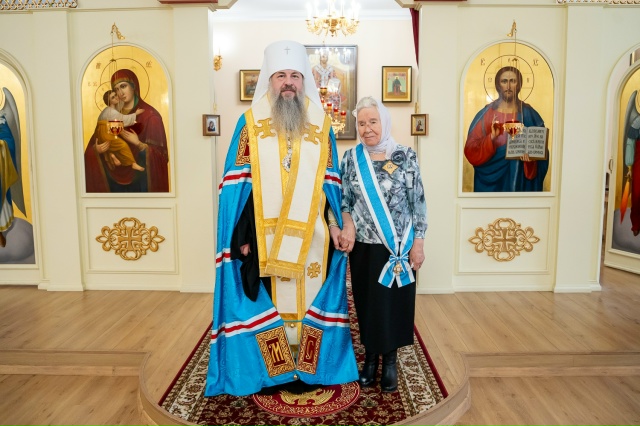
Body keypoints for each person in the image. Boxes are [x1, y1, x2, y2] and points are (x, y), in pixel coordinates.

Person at [205, 40, 358, 397]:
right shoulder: (250, 125)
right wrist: (242, 235)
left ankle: (309, 368)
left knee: (310, 300)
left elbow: (330, 186)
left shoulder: (321, 125)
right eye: (280, 76)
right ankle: (273, 370)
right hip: (265, 238)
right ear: (269, 81)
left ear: (304, 81)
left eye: (295, 75)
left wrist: (335, 225)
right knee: (269, 300)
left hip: (314, 238)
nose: (288, 82)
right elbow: (237, 189)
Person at [339, 96, 427, 393]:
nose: (367, 129)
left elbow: (418, 202)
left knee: (394, 304)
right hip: (364, 247)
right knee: (367, 304)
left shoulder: (405, 155)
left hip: (398, 247)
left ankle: (390, 361)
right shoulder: (351, 158)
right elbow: (345, 201)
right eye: (362, 123)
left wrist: (418, 243)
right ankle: (370, 359)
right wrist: (348, 224)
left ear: (384, 122)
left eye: (373, 122)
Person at [464, 66, 548, 192]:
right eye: (504, 81)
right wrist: (491, 138)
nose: (508, 86)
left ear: (519, 85)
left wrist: (531, 161)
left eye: (513, 81)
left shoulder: (530, 115)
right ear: (498, 85)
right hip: (489, 184)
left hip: (520, 183)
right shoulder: (486, 114)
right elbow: (471, 149)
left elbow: (542, 151)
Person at [84, 69, 169, 192]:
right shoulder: (110, 114)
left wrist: (139, 144)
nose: (120, 93)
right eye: (116, 89)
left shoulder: (150, 116)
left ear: (133, 86)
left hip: (140, 183)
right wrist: (96, 150)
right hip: (112, 182)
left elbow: (161, 156)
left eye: (123, 86)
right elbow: (95, 142)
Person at [97, 90, 145, 172]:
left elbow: (119, 107)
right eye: (113, 97)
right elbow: (123, 119)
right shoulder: (112, 112)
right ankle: (133, 164)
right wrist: (135, 114)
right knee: (123, 145)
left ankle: (113, 156)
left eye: (115, 95)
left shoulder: (108, 110)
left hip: (103, 132)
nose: (116, 97)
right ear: (109, 101)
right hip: (106, 132)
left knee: (113, 146)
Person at [623, 89, 640, 235]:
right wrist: (629, 165)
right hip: (639, 163)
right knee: (637, 193)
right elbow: (630, 143)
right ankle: (636, 224)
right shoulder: (637, 122)